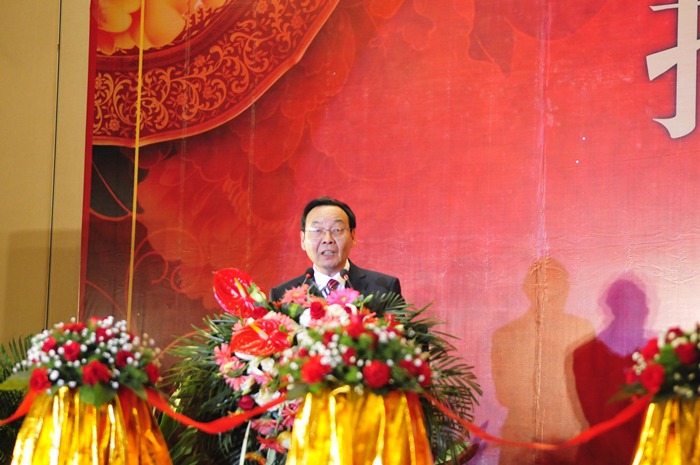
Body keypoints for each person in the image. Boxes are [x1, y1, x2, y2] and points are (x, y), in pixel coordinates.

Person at [269, 197, 401, 303]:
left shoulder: (384, 288)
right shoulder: (282, 296)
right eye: (317, 230)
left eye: (337, 230)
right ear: (303, 239)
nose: (328, 239)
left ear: (352, 236)